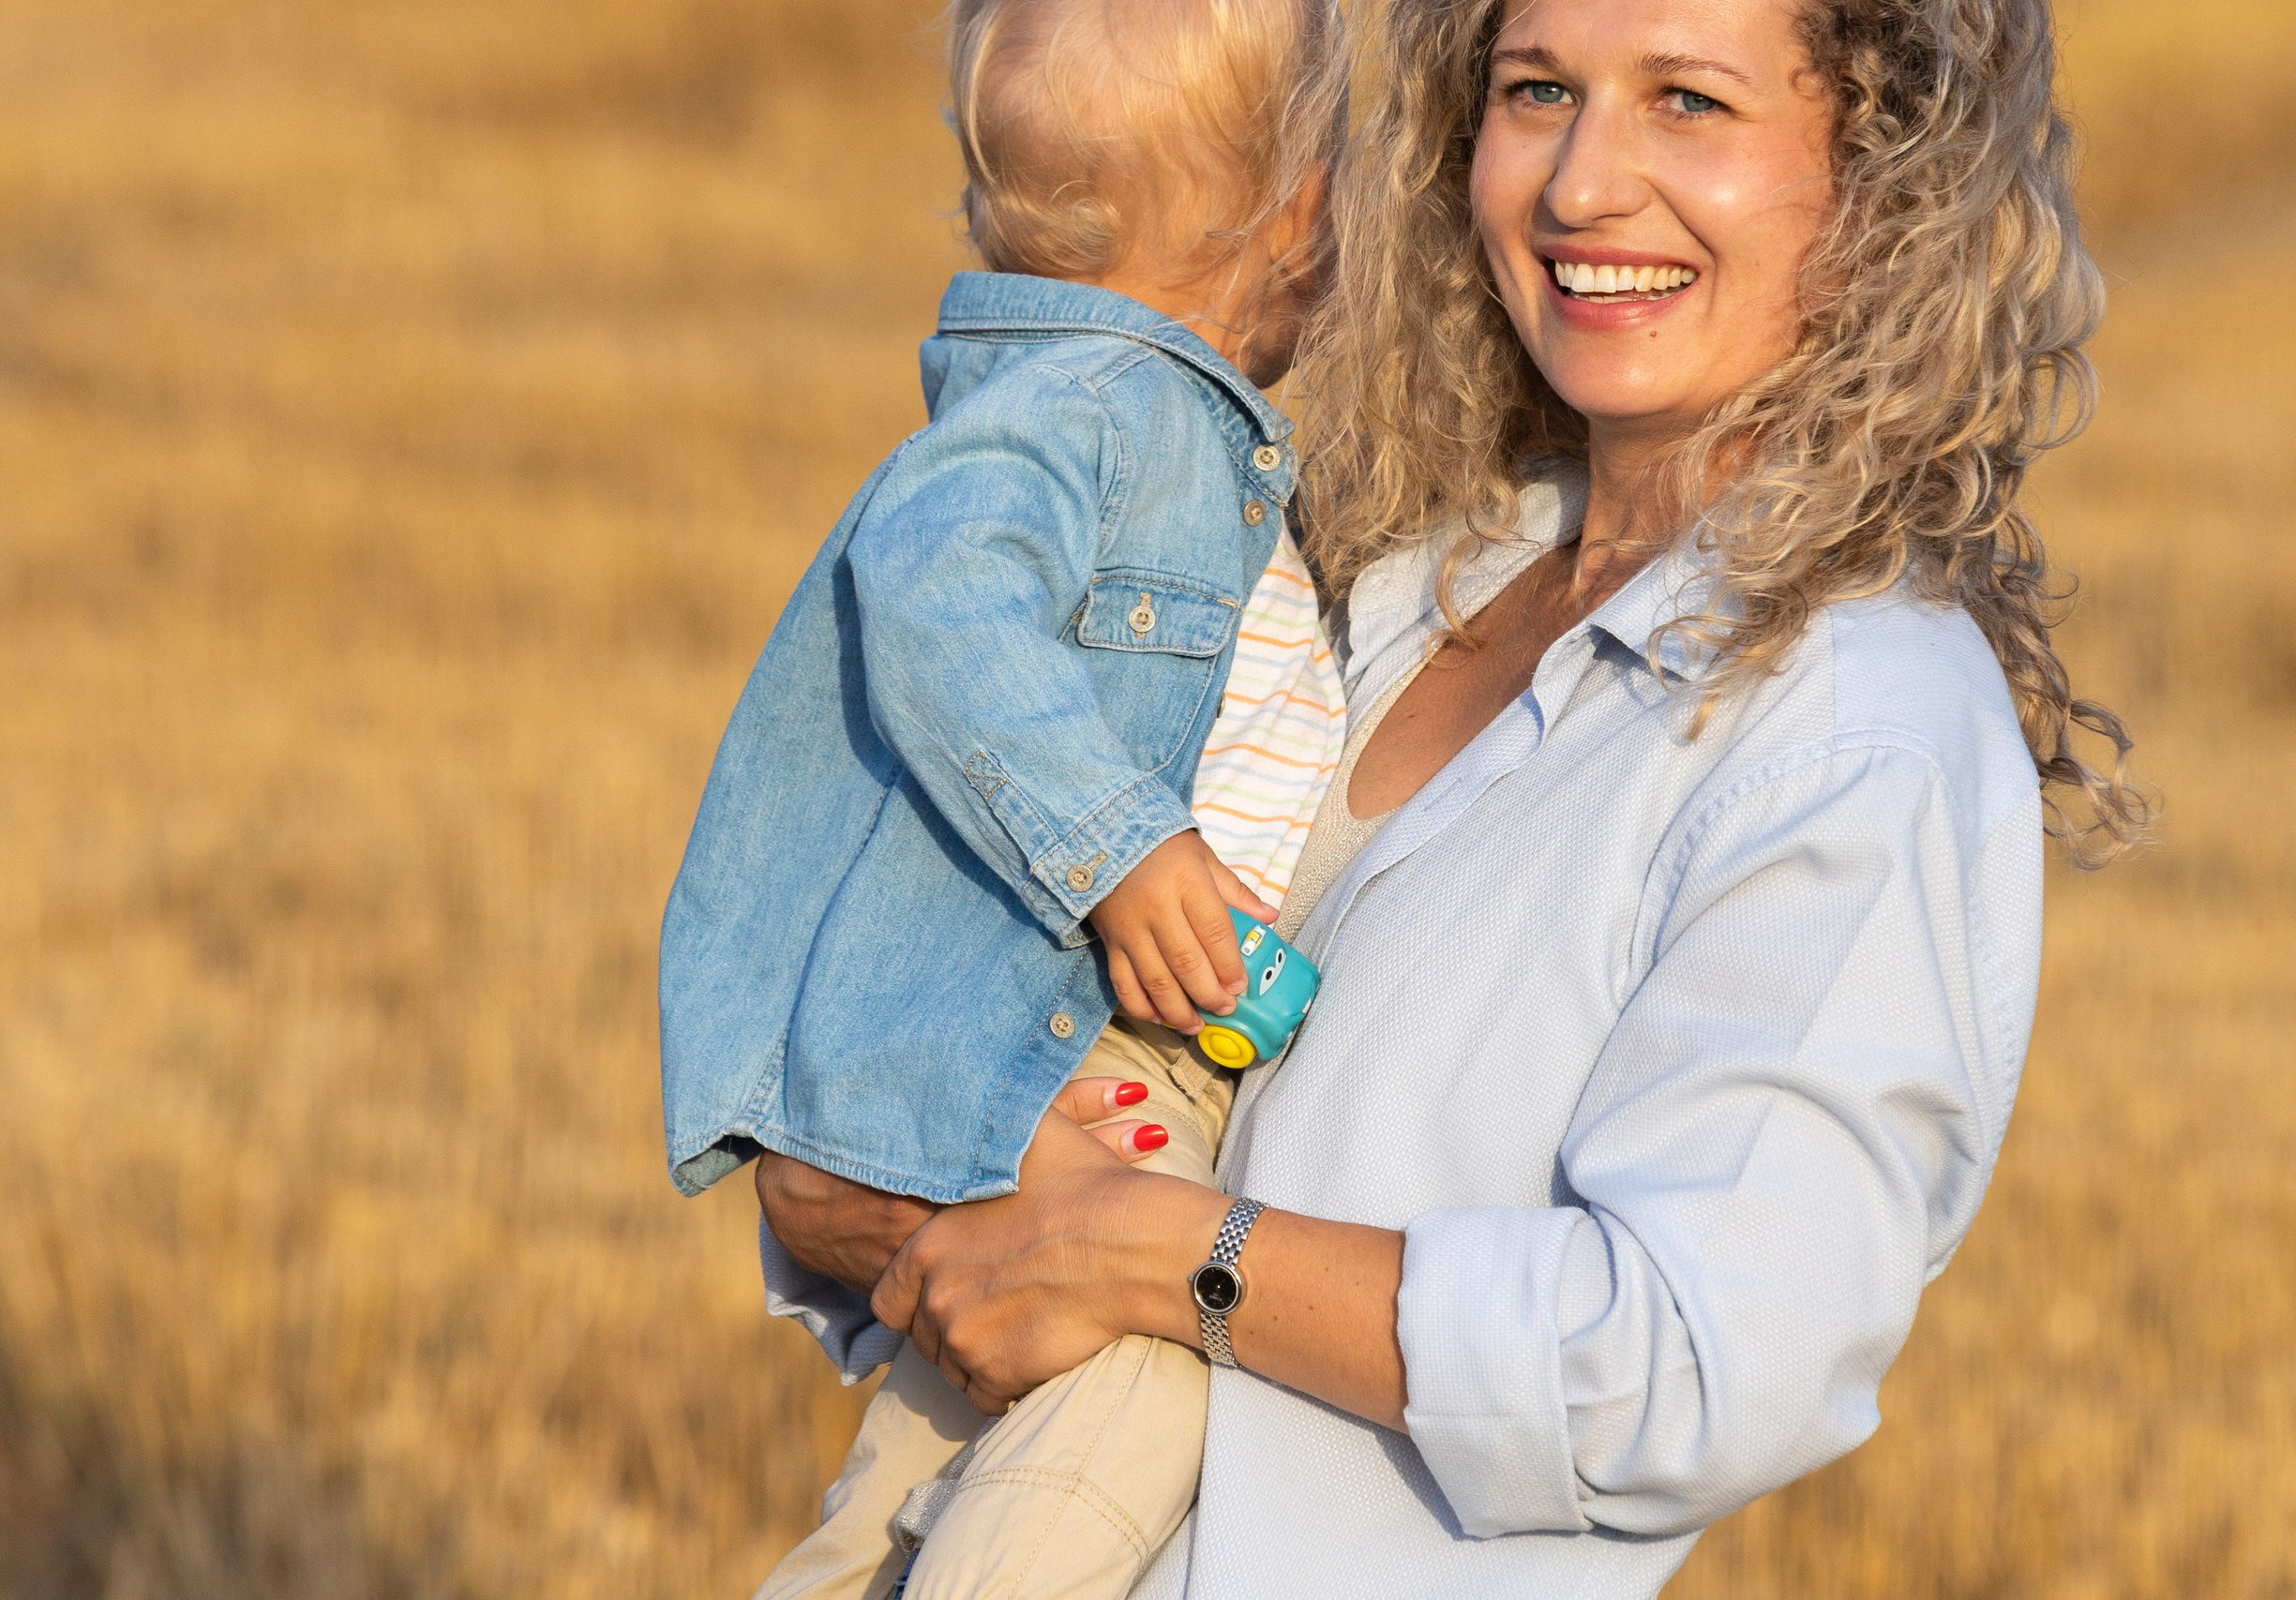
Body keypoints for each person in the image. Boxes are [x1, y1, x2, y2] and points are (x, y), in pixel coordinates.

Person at [756, 0, 2149, 1595]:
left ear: (1882, 177)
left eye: (1688, 101)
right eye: (1535, 89)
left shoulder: (1860, 723)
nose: (1580, 185)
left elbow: (1694, 1367)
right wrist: (891, 1177)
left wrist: (1165, 1258)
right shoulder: (1382, 568)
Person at [658, 2, 1348, 1596]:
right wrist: (1123, 848)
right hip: (1076, 1046)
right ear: (1301, 215)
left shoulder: (1126, 409)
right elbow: (936, 580)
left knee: (926, 1453)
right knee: (1163, 1357)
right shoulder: (1103, 405)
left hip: (1066, 1039)